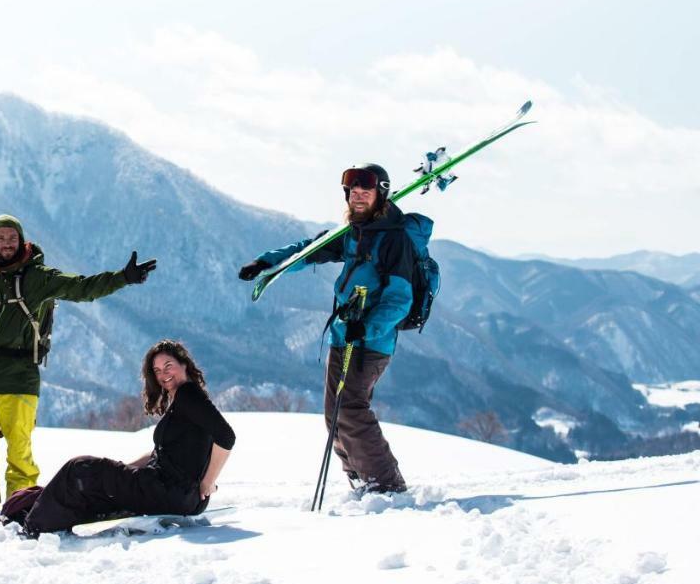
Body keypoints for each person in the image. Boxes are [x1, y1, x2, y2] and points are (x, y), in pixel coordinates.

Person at [0, 214, 157, 511]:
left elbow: (81, 288)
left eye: (12, 237)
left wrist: (122, 278)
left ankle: (19, 514)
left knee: (19, 456)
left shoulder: (38, 278)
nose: (7, 243)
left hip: (19, 378)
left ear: (21, 240)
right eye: (1, 238)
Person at [238, 162, 414, 494]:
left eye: (366, 190)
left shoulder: (395, 239)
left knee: (350, 409)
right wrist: (266, 262)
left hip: (370, 341)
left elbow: (399, 298)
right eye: (353, 191)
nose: (357, 196)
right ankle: (360, 479)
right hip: (343, 335)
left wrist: (369, 329)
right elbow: (309, 250)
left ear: (381, 194)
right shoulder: (352, 231)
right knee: (334, 414)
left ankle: (387, 486)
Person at [21, 339, 235, 534]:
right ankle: (39, 516)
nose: (163, 374)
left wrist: (208, 482)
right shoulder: (185, 401)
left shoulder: (188, 395)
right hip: (175, 495)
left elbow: (225, 436)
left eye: (168, 366)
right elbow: (170, 452)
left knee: (78, 468)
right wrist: (125, 469)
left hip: (167, 492)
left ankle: (33, 526)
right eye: (157, 370)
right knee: (94, 481)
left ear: (184, 364)